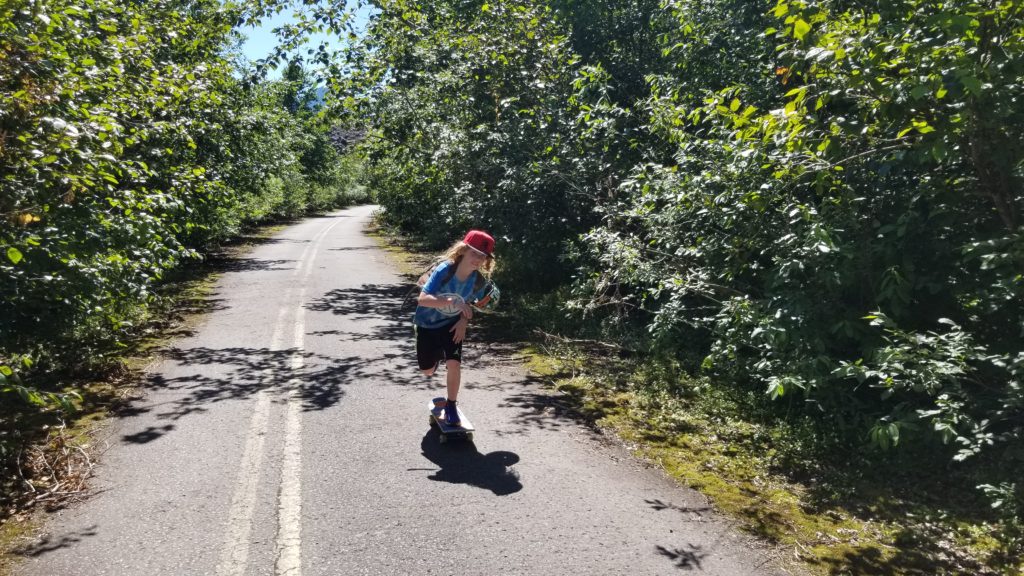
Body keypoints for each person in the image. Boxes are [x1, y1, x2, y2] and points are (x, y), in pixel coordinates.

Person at [414, 229, 496, 426]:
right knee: (426, 371)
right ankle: (435, 359)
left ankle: (451, 405)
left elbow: (470, 307)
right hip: (427, 324)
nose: (477, 259)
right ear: (463, 250)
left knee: (454, 364)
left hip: (452, 326)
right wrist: (451, 301)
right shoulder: (445, 270)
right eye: (474, 252)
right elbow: (423, 300)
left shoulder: (478, 281)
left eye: (482, 256)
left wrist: (463, 321)